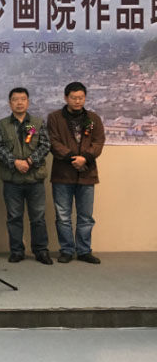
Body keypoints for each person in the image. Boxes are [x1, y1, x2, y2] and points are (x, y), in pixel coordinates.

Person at [48, 81, 105, 264]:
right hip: (62, 173)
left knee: (85, 216)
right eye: (74, 97)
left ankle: (84, 251)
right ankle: (66, 250)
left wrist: (85, 158)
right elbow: (53, 142)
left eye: (81, 97)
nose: (77, 101)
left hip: (87, 173)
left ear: (85, 98)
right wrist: (73, 158)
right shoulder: (55, 118)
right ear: (66, 98)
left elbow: (98, 142)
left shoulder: (93, 118)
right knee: (63, 216)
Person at [0, 87, 53, 265]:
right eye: (15, 99)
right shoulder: (2, 125)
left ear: (28, 102)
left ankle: (41, 251)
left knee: (38, 218)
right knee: (14, 218)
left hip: (34, 178)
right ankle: (16, 251)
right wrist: (15, 162)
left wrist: (29, 161)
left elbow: (45, 145)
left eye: (23, 99)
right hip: (12, 180)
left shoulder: (37, 123)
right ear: (9, 103)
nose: (19, 103)